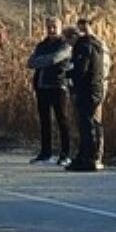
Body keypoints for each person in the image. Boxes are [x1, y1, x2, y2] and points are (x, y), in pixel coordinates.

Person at [26, 18, 73, 165]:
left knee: (62, 120)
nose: (51, 30)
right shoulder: (42, 45)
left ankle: (65, 154)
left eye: (54, 27)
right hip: (42, 86)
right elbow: (30, 62)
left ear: (60, 28)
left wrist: (41, 61)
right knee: (44, 121)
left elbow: (55, 59)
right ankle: (45, 153)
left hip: (58, 86)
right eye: (49, 27)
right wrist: (42, 60)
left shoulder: (65, 45)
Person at [66, 17, 108, 172]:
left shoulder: (84, 46)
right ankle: (87, 155)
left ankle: (89, 157)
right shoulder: (97, 45)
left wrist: (68, 73)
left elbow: (80, 70)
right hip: (95, 89)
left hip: (87, 90)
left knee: (87, 125)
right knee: (90, 124)